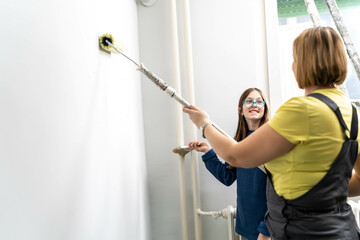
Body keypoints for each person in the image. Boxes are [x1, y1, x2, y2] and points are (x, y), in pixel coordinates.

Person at [183, 26, 360, 239]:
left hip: (303, 232)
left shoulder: (302, 110)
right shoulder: (353, 112)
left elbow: (235, 156)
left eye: (295, 58)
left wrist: (203, 124)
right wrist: (325, 195)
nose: (292, 65)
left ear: (305, 63)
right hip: (343, 230)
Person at [188, 88, 271, 240]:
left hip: (267, 230)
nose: (255, 104)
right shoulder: (237, 144)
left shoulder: (271, 141)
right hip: (245, 227)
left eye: (259, 101)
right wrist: (208, 152)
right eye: (249, 101)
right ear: (240, 110)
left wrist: (266, 230)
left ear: (265, 108)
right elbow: (227, 177)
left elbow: (281, 192)